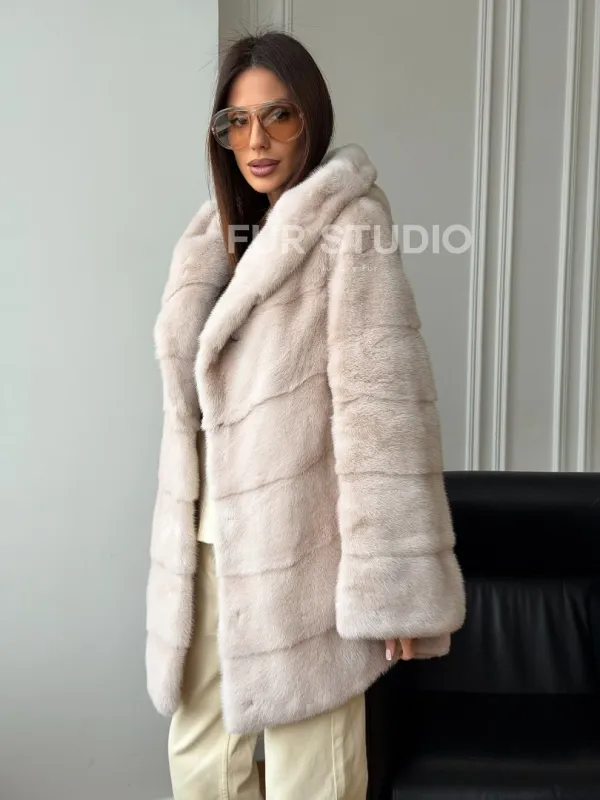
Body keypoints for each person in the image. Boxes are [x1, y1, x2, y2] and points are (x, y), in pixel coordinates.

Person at [146, 30, 466, 800]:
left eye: (278, 116)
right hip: (206, 547)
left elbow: (381, 412)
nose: (256, 141)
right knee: (202, 762)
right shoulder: (212, 236)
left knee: (310, 772)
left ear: (311, 119)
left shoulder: (350, 226)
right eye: (237, 121)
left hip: (305, 553)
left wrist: (394, 583)